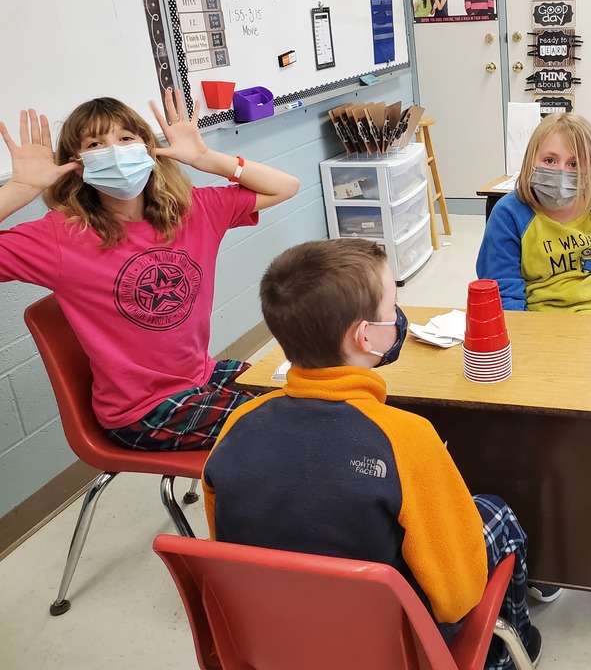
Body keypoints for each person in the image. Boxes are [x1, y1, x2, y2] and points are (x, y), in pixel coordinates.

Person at [202, 239, 544, 668]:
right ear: (366, 336)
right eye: (392, 306)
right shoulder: (407, 437)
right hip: (393, 649)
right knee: (497, 513)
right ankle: (512, 652)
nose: (397, 317)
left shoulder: (235, 425)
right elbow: (457, 596)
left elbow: (226, 549)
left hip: (269, 638)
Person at [0, 90, 300, 450]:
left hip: (199, 376)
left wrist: (205, 157)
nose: (115, 151)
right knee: (295, 427)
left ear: (148, 148)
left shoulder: (192, 210)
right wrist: (19, 190)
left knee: (310, 391)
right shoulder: (61, 236)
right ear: (77, 164)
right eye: (96, 143)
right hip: (143, 411)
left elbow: (286, 186)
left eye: (126, 138)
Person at [476, 113, 591, 313]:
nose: (561, 172)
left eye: (574, 164)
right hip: (543, 324)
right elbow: (503, 292)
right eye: (549, 160)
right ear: (531, 160)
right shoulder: (509, 213)